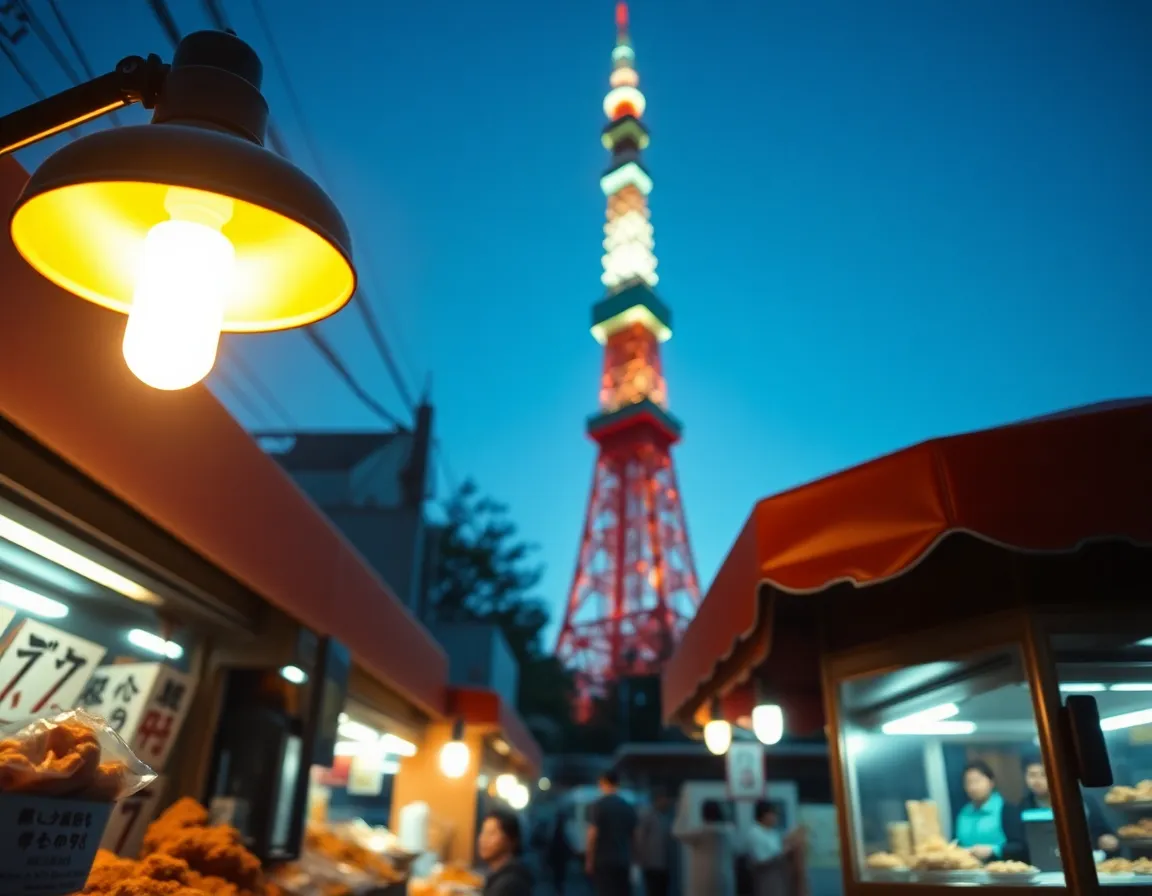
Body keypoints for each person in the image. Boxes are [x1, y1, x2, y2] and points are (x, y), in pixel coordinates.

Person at [1020, 753, 1118, 854]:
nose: (1037, 781)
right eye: (1031, 775)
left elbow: (1100, 830)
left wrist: (1105, 839)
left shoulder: (1084, 801)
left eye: (1044, 775)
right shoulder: (1022, 807)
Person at [954, 760, 1025, 862]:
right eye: (968, 782)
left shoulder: (1006, 809)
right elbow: (957, 842)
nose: (973, 787)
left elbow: (1020, 846)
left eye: (977, 781)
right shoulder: (963, 813)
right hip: (969, 871)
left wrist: (993, 850)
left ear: (991, 782)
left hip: (1002, 870)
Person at [586, 770, 638, 896]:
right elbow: (634, 835)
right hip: (623, 860)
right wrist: (635, 859)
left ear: (604, 783)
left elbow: (593, 834)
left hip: (603, 860)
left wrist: (589, 860)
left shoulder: (598, 805)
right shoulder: (627, 806)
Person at [673, 798, 736, 896]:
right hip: (724, 876)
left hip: (704, 878)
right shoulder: (727, 832)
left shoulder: (701, 832)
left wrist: (682, 811)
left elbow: (677, 832)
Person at [478, 809, 534, 896]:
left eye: (491, 833)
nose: (483, 840)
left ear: (511, 840)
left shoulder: (510, 883)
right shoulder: (499, 873)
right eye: (483, 832)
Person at [634, 790, 676, 896]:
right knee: (653, 890)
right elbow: (640, 837)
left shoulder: (668, 817)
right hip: (651, 862)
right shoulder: (648, 816)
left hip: (665, 863)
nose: (666, 803)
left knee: (663, 889)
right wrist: (640, 857)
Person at [547, 808, 574, 895]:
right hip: (560, 857)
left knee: (558, 876)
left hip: (557, 856)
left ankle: (558, 890)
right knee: (560, 875)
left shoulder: (555, 829)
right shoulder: (560, 831)